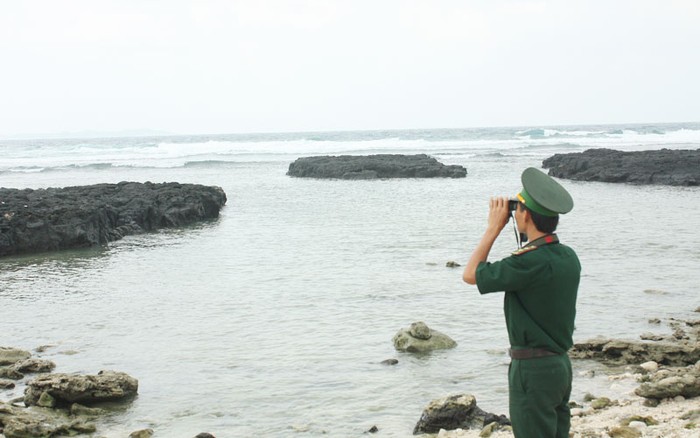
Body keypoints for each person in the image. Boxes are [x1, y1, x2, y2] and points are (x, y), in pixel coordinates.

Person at [462, 167, 581, 438]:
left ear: (525, 214)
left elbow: (470, 274)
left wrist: (493, 227)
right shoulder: (568, 256)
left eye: (518, 209)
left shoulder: (528, 262)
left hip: (533, 371)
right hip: (560, 366)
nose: (514, 214)